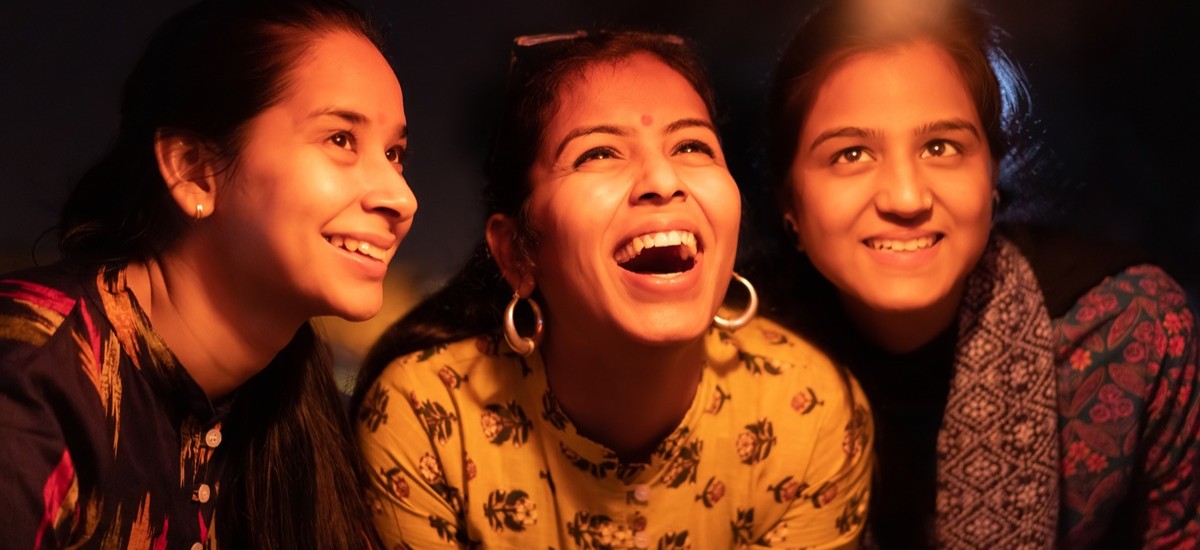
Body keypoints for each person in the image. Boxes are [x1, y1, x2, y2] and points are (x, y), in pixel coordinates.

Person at [353, 30, 872, 548]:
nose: (662, 179)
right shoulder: (426, 419)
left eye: (692, 145)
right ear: (516, 253)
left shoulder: (809, 414)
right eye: (598, 154)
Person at [755, 0, 1200, 547]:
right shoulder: (721, 363)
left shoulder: (1129, 328)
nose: (906, 197)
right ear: (788, 202)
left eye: (940, 147)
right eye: (851, 154)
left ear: (992, 172)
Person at [0, 0, 416, 547]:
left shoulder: (299, 407)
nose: (401, 198)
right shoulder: (33, 376)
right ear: (194, 171)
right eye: (340, 139)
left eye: (394, 153)